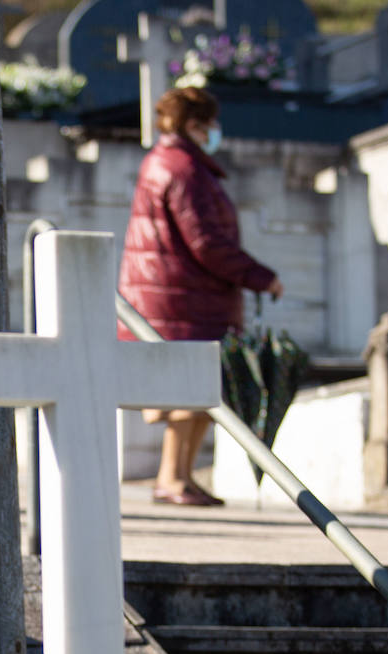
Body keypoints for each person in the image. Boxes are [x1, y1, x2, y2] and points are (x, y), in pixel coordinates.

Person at [118, 86, 283, 506]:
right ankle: (173, 479)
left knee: (199, 392)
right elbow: (205, 241)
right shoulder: (184, 169)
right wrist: (259, 277)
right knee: (193, 390)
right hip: (183, 297)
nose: (214, 131)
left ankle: (179, 477)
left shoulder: (170, 162)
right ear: (194, 124)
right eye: (209, 123)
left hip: (177, 293)